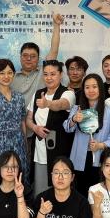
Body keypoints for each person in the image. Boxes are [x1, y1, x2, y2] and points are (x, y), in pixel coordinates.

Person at [64, 73, 110, 196]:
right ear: (83, 90)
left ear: (100, 88)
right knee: (79, 194)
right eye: (87, 87)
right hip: (79, 159)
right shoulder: (77, 109)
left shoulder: (108, 111)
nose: (91, 90)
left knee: (97, 195)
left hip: (99, 159)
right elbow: (67, 128)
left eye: (94, 87)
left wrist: (101, 145)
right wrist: (74, 119)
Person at [26, 59, 75, 195]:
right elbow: (28, 119)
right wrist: (35, 128)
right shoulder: (38, 94)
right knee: (39, 190)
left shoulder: (68, 93)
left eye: (53, 74)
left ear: (61, 75)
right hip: (39, 151)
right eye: (46, 74)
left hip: (59, 150)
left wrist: (47, 103)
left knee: (59, 190)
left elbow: (61, 104)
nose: (49, 78)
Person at [0, 59, 30, 188]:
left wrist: (25, 144)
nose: (6, 76)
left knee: (18, 175)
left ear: (14, 74)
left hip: (18, 142)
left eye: (10, 73)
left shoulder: (19, 97)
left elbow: (22, 121)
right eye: (2, 73)